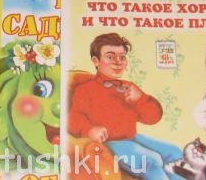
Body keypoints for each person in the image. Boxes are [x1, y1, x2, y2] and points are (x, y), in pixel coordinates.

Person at [68, 32, 183, 179]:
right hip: (109, 143)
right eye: (110, 57)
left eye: (122, 57)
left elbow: (152, 118)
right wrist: (88, 130)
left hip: (132, 137)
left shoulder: (128, 87)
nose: (118, 62)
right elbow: (73, 118)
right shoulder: (85, 89)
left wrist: (141, 98)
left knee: (174, 152)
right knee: (151, 160)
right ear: (96, 61)